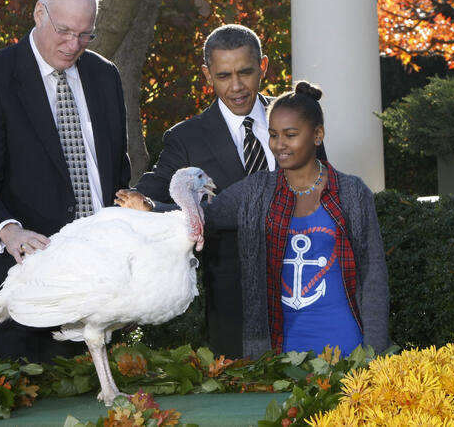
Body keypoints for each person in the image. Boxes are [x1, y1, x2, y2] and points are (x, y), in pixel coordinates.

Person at [118, 81, 389, 359]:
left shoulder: (353, 193)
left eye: (291, 135)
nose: (279, 145)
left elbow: (373, 276)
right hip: (277, 347)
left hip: (345, 342)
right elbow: (203, 218)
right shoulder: (256, 191)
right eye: (273, 135)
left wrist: (375, 351)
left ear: (317, 135)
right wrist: (152, 208)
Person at [0, 0, 130, 362]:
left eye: (85, 35)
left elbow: (116, 175)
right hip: (28, 293)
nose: (73, 45)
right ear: (39, 13)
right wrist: (9, 230)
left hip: (101, 290)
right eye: (64, 31)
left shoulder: (105, 76)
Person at [129, 25, 326, 358]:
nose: (236, 87)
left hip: (303, 277)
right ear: (208, 75)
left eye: (245, 72)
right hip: (230, 293)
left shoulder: (296, 118)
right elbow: (159, 183)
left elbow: (320, 183)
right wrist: (142, 201)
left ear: (263, 67)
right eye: (223, 76)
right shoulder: (187, 137)